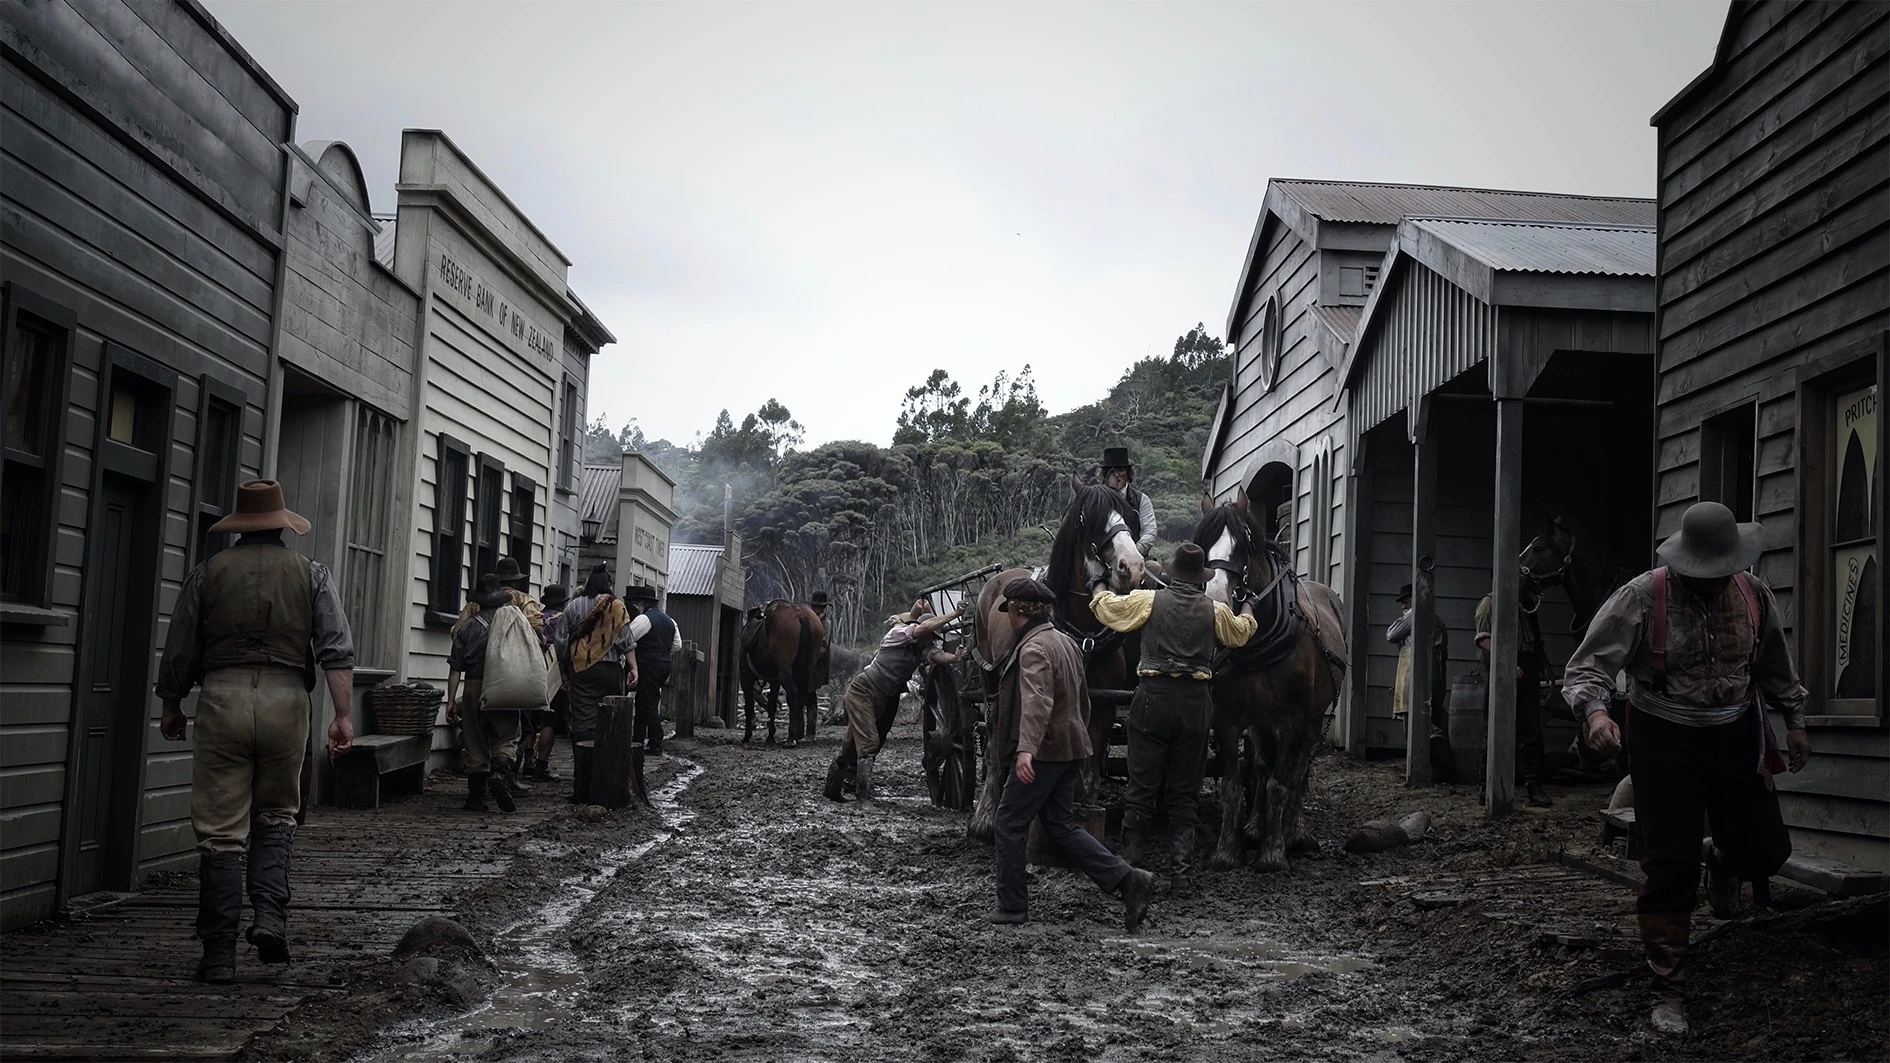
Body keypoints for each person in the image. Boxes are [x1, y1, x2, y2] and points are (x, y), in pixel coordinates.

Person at [1564, 501, 1810, 1038]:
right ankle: (1669, 991)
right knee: (1669, 865)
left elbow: (1774, 664)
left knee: (1766, 851)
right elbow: (1587, 665)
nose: (1712, 581)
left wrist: (1794, 720)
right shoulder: (1640, 596)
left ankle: (1721, 857)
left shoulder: (1753, 594)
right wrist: (1598, 713)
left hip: (1735, 730)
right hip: (1662, 736)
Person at [155, 480, 355, 983]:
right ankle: (270, 920)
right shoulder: (312, 574)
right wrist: (342, 715)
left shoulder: (208, 573)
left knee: (222, 832)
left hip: (222, 696)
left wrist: (172, 704)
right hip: (286, 701)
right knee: (276, 812)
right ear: (282, 525)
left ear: (241, 527)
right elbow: (336, 649)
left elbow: (180, 646)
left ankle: (218, 955)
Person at [986, 577, 1158, 930]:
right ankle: (1129, 881)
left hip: (1044, 752)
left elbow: (1037, 703)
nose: (1009, 619)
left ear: (1019, 612)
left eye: (1010, 612)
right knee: (1061, 826)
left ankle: (1012, 906)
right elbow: (1082, 698)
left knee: (1008, 823)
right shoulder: (1065, 642)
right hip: (1069, 748)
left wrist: (1025, 751)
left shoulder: (1034, 648)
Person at [1090, 542, 1256, 890]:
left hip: (1152, 698)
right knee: (1185, 789)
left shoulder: (1149, 601)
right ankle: (1181, 874)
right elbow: (1241, 633)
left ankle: (1131, 869)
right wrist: (1249, 605)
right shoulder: (1215, 611)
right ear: (1201, 580)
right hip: (1195, 704)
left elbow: (1106, 611)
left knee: (1141, 786)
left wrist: (1098, 584)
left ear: (1171, 574)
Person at [824, 598, 963, 803]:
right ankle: (863, 796)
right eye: (929, 636)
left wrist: (956, 657)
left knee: (850, 746)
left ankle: (831, 789)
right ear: (921, 631)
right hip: (863, 691)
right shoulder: (898, 634)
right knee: (869, 743)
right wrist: (954, 615)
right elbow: (922, 628)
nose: (931, 641)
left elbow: (938, 656)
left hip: (881, 697)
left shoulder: (921, 650)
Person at [555, 566, 638, 801]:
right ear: (608, 584)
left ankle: (583, 784)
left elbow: (561, 641)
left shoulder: (572, 606)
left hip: (581, 670)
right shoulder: (616, 605)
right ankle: (610, 781)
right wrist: (633, 668)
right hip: (611, 671)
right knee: (611, 723)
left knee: (583, 724)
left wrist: (564, 669)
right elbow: (626, 641)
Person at [447, 574, 525, 814]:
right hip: (504, 684)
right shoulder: (513, 622)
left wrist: (451, 701)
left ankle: (475, 798)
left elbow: (455, 667)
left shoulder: (467, 626)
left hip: (473, 686)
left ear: (478, 601)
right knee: (508, 734)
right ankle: (500, 773)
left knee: (474, 738)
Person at [1476, 577, 1553, 807]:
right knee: (1495, 729)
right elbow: (1483, 639)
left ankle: (1533, 786)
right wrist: (1505, 661)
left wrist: (1545, 669)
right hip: (1501, 671)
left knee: (1531, 730)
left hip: (1528, 667)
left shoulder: (1527, 605)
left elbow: (1535, 640)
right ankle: (1485, 785)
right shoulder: (1489, 603)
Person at [1388, 584, 1453, 777]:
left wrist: (1409, 614)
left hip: (1421, 674)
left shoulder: (1416, 616)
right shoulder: (1436, 620)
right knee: (1424, 716)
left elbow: (1392, 635)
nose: (1404, 607)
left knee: (1416, 720)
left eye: (1407, 602)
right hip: (1432, 673)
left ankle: (1425, 767)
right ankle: (1430, 768)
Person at [625, 586, 682, 756]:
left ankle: (656, 741)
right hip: (664, 664)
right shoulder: (670, 621)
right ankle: (638, 739)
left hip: (648, 663)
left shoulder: (644, 619)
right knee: (646, 700)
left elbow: (627, 638)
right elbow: (677, 645)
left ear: (641, 602)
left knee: (646, 703)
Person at [528, 583, 569, 783]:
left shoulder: (536, 619)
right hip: (553, 673)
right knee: (548, 721)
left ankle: (526, 760)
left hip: (531, 671)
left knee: (529, 721)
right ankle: (541, 765)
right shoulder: (563, 620)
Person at [1097, 446, 1157, 554]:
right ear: (1105, 475)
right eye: (1112, 471)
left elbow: (1149, 531)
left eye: (1121, 470)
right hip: (1103, 557)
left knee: (1154, 568)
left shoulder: (1141, 500)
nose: (1116, 475)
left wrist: (1135, 550)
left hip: (1136, 555)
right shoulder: (1097, 500)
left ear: (1128, 473)